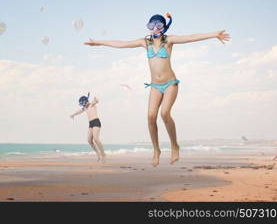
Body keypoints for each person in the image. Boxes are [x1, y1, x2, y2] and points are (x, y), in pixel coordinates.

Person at [85, 13, 230, 166]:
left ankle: (175, 146)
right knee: (150, 116)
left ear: (163, 26)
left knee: (165, 113)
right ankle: (156, 150)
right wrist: (98, 43)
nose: (154, 29)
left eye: (158, 25)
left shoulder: (169, 40)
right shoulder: (145, 42)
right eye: (151, 25)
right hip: (155, 86)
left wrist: (214, 34)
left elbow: (191, 37)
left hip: (170, 84)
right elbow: (122, 43)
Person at [70, 93, 106, 163]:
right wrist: (73, 115)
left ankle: (103, 154)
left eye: (83, 103)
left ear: (85, 101)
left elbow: (96, 101)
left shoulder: (91, 104)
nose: (83, 105)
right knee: (89, 140)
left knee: (96, 139)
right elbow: (79, 111)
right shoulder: (85, 108)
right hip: (91, 124)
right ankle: (98, 154)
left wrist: (95, 99)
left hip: (96, 122)